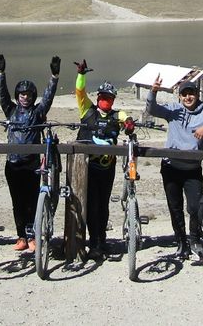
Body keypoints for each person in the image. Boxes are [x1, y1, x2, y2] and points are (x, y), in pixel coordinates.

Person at [146, 75, 203, 263]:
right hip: (170, 166)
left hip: (192, 168)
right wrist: (153, 91)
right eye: (184, 94)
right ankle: (181, 243)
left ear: (196, 95)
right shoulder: (173, 110)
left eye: (190, 93)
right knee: (174, 207)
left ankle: (195, 241)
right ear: (179, 97)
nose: (187, 98)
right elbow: (152, 109)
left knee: (194, 207)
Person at [0, 53, 60, 252]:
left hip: (32, 164)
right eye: (22, 94)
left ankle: (33, 236)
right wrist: (1, 73)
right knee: (18, 202)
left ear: (33, 97)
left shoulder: (38, 113)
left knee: (33, 200)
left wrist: (54, 77)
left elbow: (48, 98)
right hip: (13, 164)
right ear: (18, 96)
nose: (25, 97)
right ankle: (21, 236)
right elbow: (2, 95)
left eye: (29, 94)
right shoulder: (11, 110)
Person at [74, 58, 128, 260]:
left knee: (102, 204)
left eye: (109, 98)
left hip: (106, 168)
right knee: (88, 204)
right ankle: (90, 240)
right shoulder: (87, 110)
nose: (106, 100)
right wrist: (81, 75)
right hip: (86, 167)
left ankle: (100, 241)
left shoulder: (116, 115)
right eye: (103, 97)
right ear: (98, 98)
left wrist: (129, 123)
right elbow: (80, 92)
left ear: (113, 100)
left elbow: (125, 117)